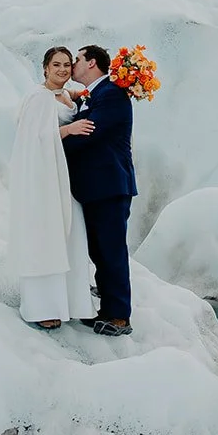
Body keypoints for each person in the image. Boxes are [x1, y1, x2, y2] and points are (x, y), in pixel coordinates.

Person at [8, 47, 99, 329]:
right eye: (55, 65)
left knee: (70, 237)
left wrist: (74, 95)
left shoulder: (62, 96)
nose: (62, 69)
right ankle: (42, 306)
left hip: (66, 177)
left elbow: (64, 100)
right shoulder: (38, 98)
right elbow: (31, 139)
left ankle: (69, 302)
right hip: (44, 179)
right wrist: (67, 130)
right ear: (45, 68)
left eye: (66, 65)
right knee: (46, 238)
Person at [62, 45, 137, 336]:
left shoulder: (112, 94)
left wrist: (50, 144)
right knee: (100, 251)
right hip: (97, 188)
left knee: (111, 251)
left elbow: (89, 133)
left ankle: (119, 317)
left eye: (77, 60)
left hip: (110, 186)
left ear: (92, 63)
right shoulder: (96, 95)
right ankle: (108, 310)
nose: (72, 65)